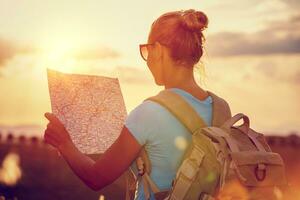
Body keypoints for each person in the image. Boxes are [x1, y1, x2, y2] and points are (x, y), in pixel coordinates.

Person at [44, 9, 211, 200]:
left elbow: (96, 177)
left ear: (159, 51)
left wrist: (64, 143)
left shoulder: (149, 113)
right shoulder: (221, 108)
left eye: (147, 50)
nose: (147, 60)